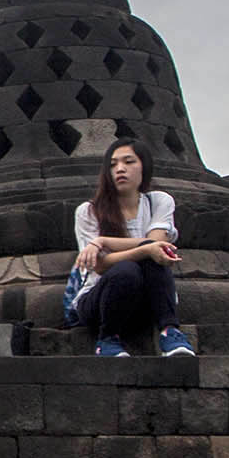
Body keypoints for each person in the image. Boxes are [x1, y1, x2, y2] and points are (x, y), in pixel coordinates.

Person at [69, 138, 195, 357]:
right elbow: (100, 266)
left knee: (151, 256)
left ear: (144, 167)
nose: (120, 169)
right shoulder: (88, 212)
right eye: (113, 164)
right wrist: (145, 249)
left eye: (128, 162)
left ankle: (169, 332)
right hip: (100, 302)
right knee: (127, 270)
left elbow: (158, 245)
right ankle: (107, 339)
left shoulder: (159, 202)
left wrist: (103, 241)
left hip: (148, 300)